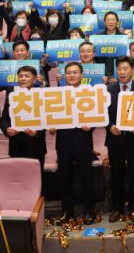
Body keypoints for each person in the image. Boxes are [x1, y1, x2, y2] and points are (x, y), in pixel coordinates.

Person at [106, 57, 134, 223]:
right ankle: (117, 208)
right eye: (119, 69)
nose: (122, 72)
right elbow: (102, 113)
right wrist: (109, 126)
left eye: (125, 68)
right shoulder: (108, 90)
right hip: (114, 139)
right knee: (116, 174)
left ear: (132, 70)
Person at [56, 62, 95, 224]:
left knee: (87, 177)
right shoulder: (56, 94)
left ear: (82, 75)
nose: (72, 75)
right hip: (63, 141)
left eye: (75, 72)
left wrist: (91, 125)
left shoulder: (89, 93)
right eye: (69, 73)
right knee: (64, 178)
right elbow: (50, 115)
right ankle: (67, 211)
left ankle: (89, 210)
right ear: (64, 76)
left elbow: (97, 114)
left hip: (83, 140)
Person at [0, 65, 46, 168]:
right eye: (20, 76)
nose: (23, 79)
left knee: (36, 177)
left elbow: (48, 119)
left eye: (27, 76)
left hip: (36, 145)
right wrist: (6, 129)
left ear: (34, 79)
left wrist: (37, 132)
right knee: (18, 175)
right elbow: (4, 119)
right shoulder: (12, 96)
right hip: (16, 145)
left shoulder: (42, 95)